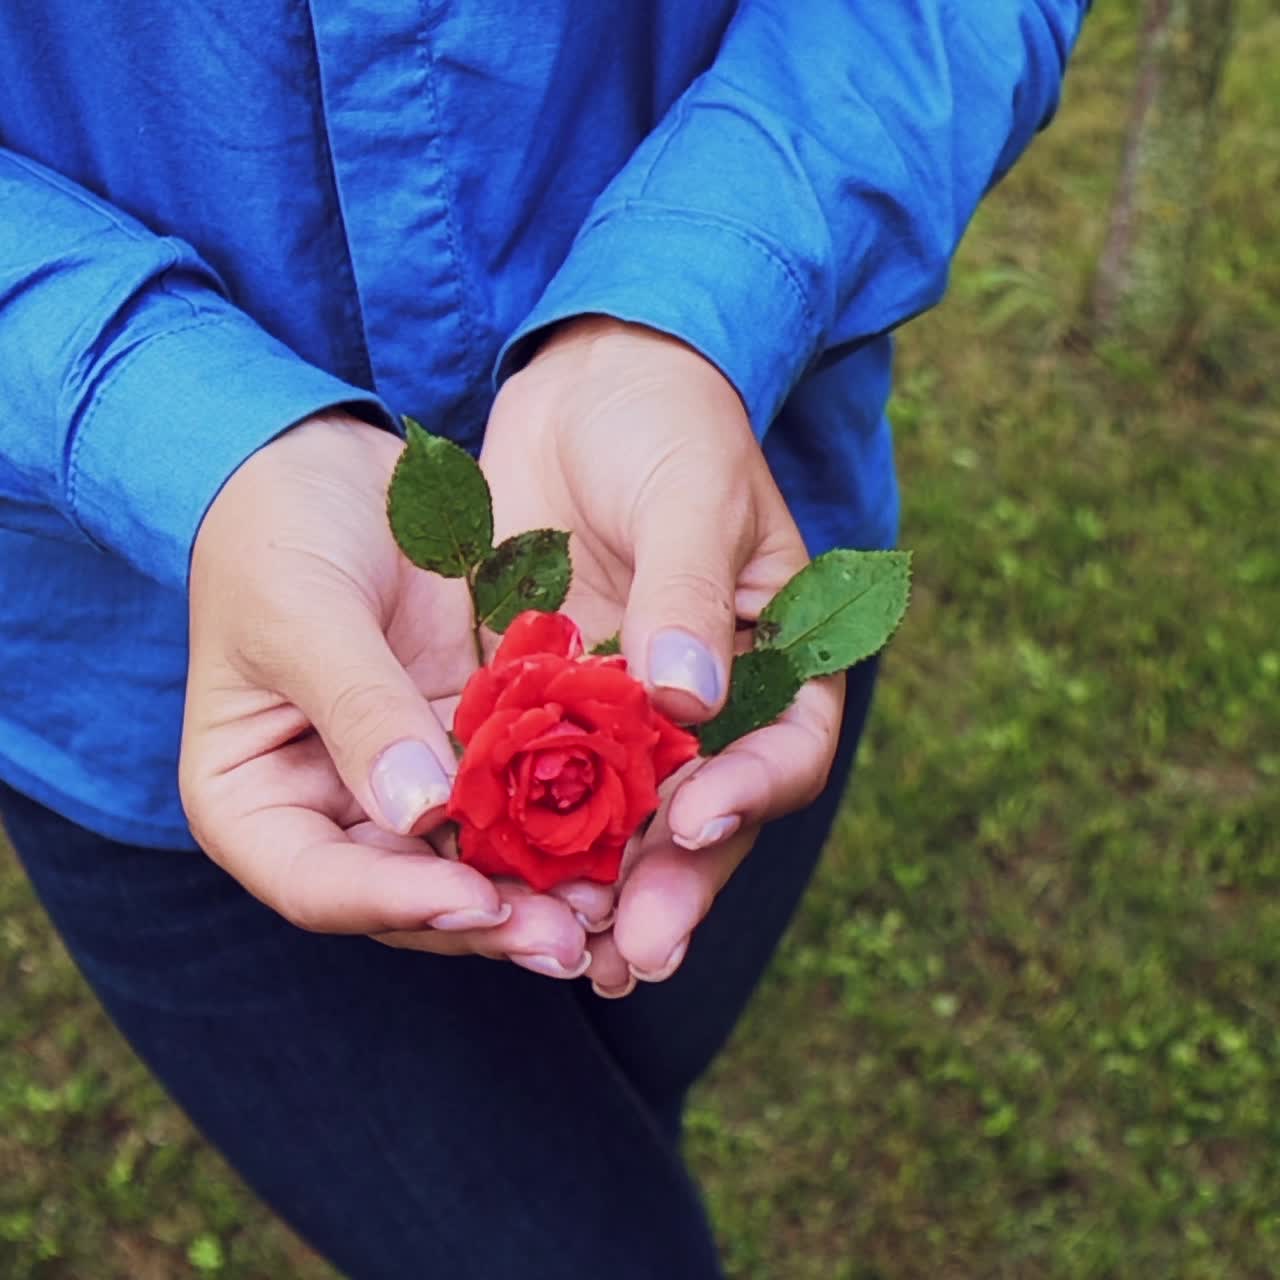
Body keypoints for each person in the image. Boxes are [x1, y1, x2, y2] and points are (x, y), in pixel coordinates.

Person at [0, 3, 1088, 1276]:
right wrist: (167, 424)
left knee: (613, 1103)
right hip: (157, 703)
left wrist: (688, 302)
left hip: (706, 588)